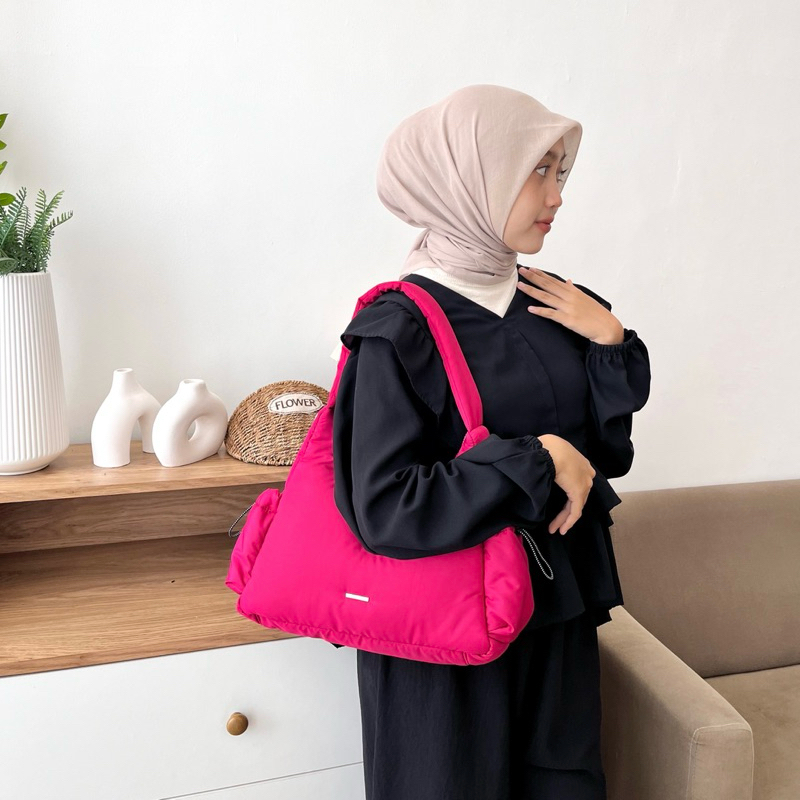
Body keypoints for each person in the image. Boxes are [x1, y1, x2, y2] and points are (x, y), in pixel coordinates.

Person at [330, 84, 651, 800]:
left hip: (556, 615)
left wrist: (609, 343)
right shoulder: (399, 328)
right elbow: (384, 508)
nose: (556, 196)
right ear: (470, 178)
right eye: (537, 170)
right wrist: (536, 457)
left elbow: (603, 461)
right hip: (443, 643)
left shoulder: (554, 304)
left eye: (561, 172)